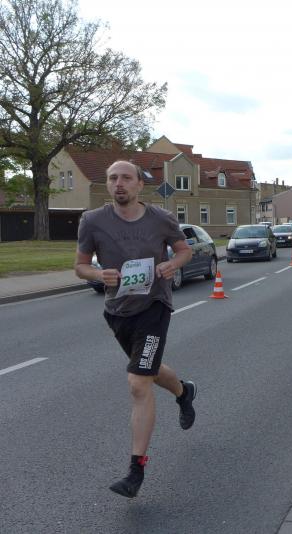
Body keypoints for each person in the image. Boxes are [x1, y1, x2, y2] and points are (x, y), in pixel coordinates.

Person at [74, 160, 198, 498]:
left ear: (139, 185)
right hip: (117, 311)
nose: (119, 183)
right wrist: (98, 274)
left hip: (154, 307)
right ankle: (184, 392)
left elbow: (185, 250)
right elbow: (80, 266)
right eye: (113, 178)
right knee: (148, 370)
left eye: (126, 178)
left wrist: (172, 264)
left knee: (138, 382)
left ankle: (136, 470)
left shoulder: (161, 218)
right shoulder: (92, 221)